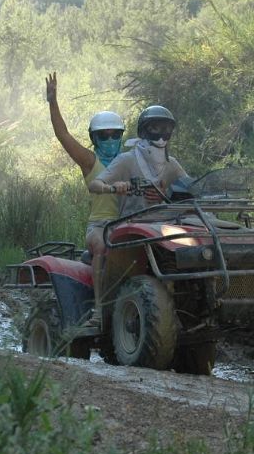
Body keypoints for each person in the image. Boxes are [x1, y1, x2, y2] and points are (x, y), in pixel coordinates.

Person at [45, 71, 125, 326]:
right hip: (100, 225)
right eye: (104, 135)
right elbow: (63, 135)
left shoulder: (131, 158)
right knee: (102, 246)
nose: (110, 140)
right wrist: (53, 101)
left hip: (129, 222)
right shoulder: (91, 161)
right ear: (95, 138)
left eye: (115, 135)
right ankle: (100, 312)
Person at [87, 105, 188, 217]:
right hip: (131, 226)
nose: (161, 135)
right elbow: (94, 185)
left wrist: (166, 194)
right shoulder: (126, 160)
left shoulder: (171, 163)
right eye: (155, 129)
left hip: (166, 226)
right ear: (143, 131)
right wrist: (113, 188)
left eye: (166, 129)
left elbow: (191, 190)